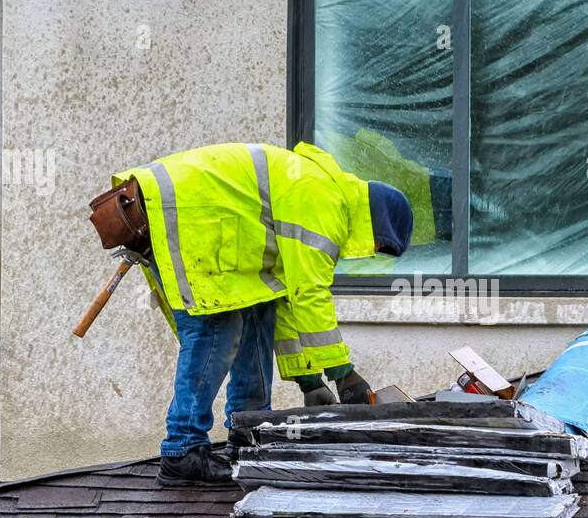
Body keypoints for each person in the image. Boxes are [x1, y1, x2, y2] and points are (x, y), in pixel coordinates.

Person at [103, 141, 413, 487]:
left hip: (200, 218)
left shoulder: (321, 193)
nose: (371, 253)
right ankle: (182, 450)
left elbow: (286, 300)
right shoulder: (325, 203)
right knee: (217, 327)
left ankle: (247, 432)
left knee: (257, 312)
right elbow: (309, 295)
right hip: (185, 214)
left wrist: (309, 381)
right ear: (377, 223)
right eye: (379, 247)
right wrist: (343, 374)